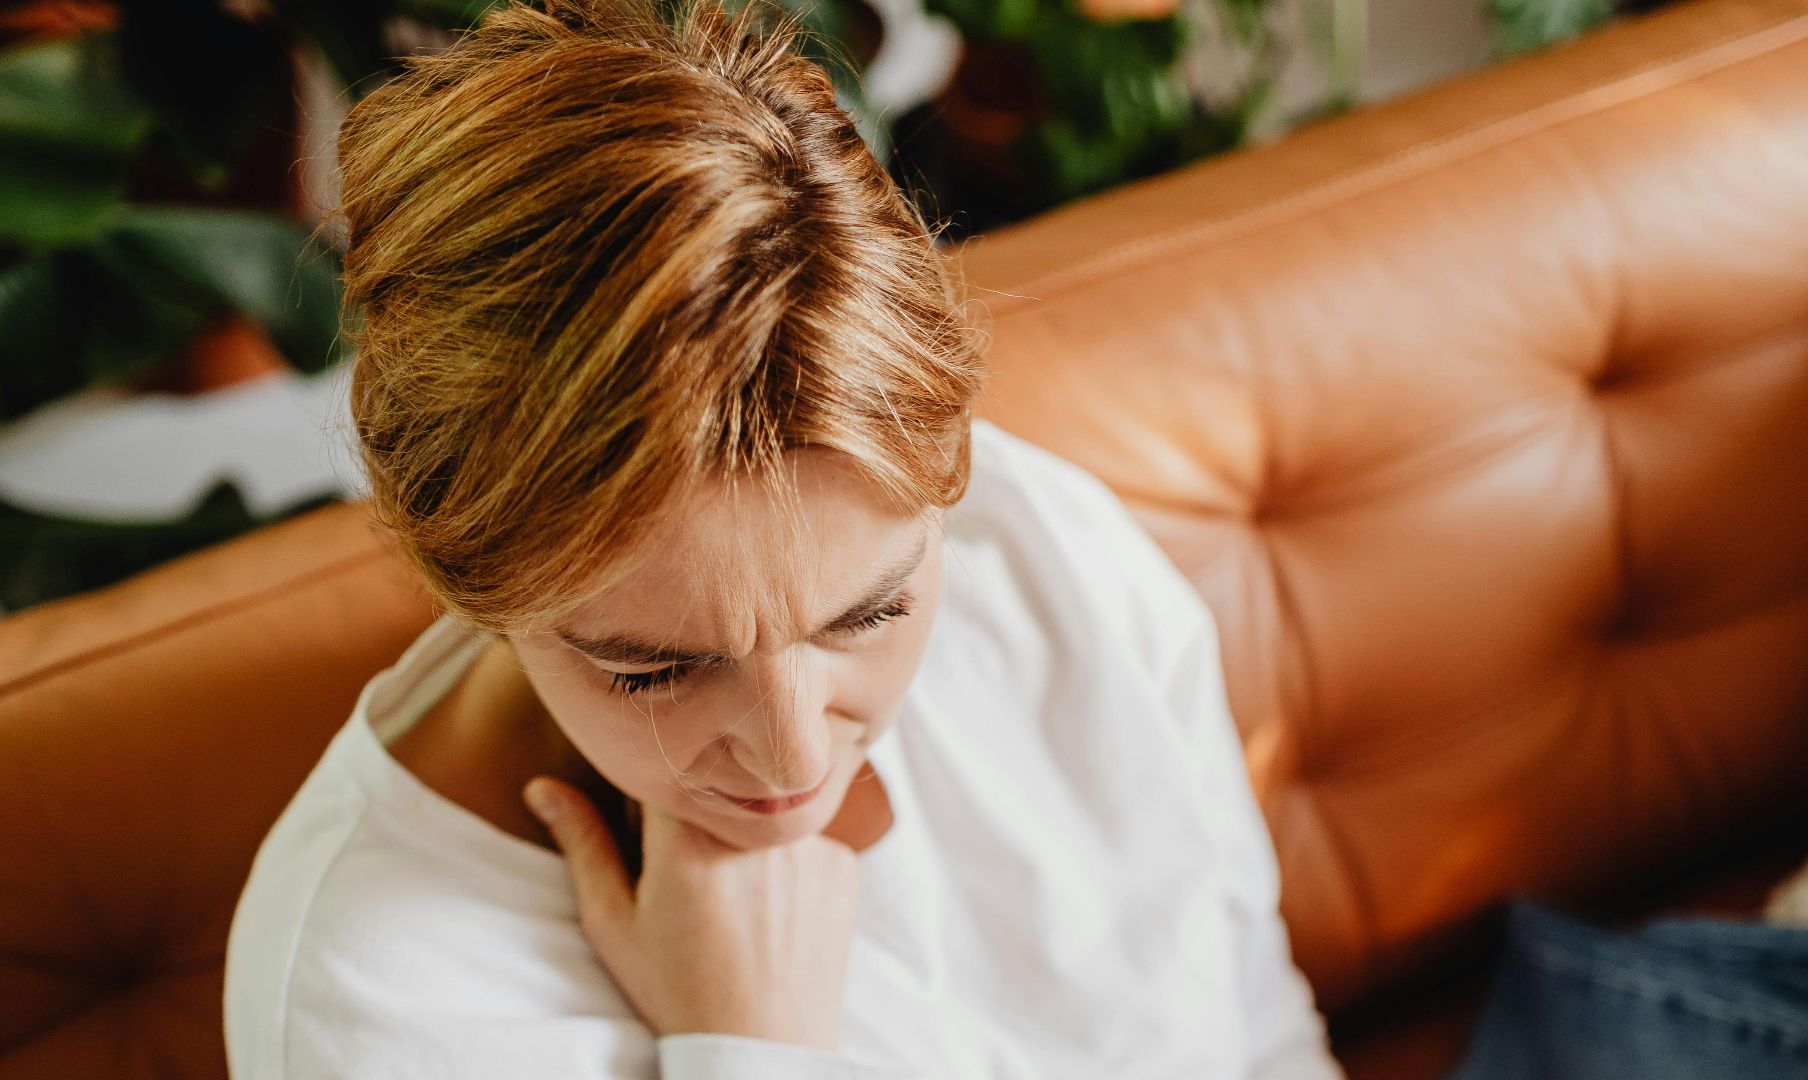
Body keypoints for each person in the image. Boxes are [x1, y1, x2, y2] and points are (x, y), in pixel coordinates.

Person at [221, 2, 1342, 1077]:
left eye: (873, 613)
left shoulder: (1037, 543)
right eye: (654, 669)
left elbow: (1263, 1033)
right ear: (472, 587)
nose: (794, 759)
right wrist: (751, 1052)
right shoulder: (378, 998)